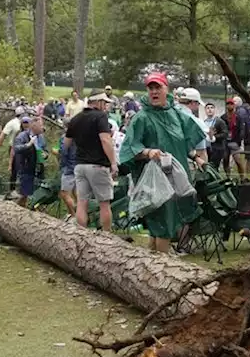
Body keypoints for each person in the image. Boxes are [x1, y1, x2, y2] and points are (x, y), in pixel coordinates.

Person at [119, 72, 207, 252]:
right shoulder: (142, 118)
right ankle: (161, 266)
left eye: (158, 87)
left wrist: (195, 157)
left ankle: (151, 261)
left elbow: (181, 142)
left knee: (160, 225)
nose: (154, 91)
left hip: (176, 178)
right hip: (154, 181)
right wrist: (148, 152)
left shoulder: (177, 115)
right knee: (163, 224)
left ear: (166, 89)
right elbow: (130, 148)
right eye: (150, 88)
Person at [65, 90, 120, 230]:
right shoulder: (100, 116)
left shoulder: (76, 118)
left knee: (82, 203)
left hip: (80, 165)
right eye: (105, 103)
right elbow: (105, 140)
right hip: (98, 165)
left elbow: (66, 143)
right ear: (98, 102)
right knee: (104, 203)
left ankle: (82, 234)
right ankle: (106, 238)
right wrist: (113, 163)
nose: (106, 106)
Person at [12, 116, 41, 208]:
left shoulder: (41, 137)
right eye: (40, 125)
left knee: (35, 195)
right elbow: (16, 148)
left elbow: (44, 149)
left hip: (38, 169)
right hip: (25, 168)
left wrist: (45, 154)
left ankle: (30, 212)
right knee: (25, 194)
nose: (42, 128)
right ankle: (18, 212)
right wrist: (28, 145)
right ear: (34, 126)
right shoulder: (22, 136)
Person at [204, 102, 230, 171]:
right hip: (206, 148)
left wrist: (214, 137)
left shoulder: (219, 121)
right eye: (208, 108)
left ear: (214, 110)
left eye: (212, 108)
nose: (210, 110)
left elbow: (225, 133)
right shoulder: (204, 122)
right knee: (207, 166)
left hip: (216, 148)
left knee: (214, 167)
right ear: (205, 110)